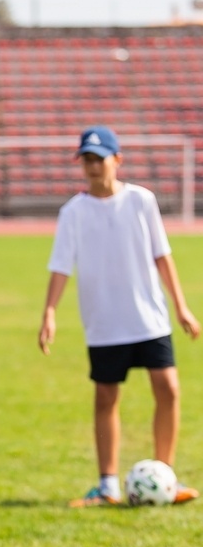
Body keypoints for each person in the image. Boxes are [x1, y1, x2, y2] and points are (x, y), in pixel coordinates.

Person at [38, 125, 200, 507]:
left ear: (117, 160)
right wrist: (49, 312)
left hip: (149, 316)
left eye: (99, 159)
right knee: (106, 397)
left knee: (169, 389)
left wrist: (181, 306)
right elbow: (61, 266)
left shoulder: (142, 200)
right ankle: (108, 484)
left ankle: (165, 477)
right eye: (87, 160)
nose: (93, 167)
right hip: (105, 322)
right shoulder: (73, 212)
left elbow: (162, 255)